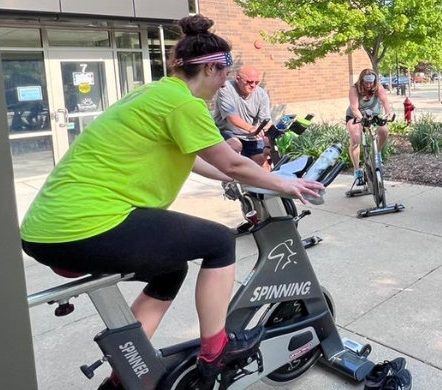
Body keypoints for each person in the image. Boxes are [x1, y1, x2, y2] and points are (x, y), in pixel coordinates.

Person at [18, 15, 324, 390]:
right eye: (225, 72)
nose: (226, 80)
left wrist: (239, 174)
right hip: (84, 224)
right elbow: (229, 161)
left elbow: (203, 161)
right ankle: (217, 349)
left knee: (171, 269)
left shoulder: (154, 94)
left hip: (48, 229)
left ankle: (126, 373)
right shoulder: (183, 105)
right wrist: (282, 183)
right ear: (210, 67)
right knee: (218, 242)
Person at [215, 64, 273, 167]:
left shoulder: (261, 94)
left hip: (251, 136)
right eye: (249, 82)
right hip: (228, 131)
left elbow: (266, 121)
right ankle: (229, 178)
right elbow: (232, 117)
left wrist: (268, 140)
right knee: (235, 146)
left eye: (256, 82)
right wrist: (250, 128)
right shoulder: (226, 89)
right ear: (238, 79)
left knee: (263, 162)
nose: (253, 85)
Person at [346, 69, 393, 185]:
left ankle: (377, 153)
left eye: (371, 82)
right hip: (356, 115)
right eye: (366, 82)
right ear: (361, 80)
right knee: (356, 138)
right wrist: (361, 119)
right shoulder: (354, 89)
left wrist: (388, 113)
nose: (369, 85)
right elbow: (354, 108)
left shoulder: (378, 87)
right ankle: (357, 170)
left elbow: (385, 102)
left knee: (383, 130)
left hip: (374, 114)